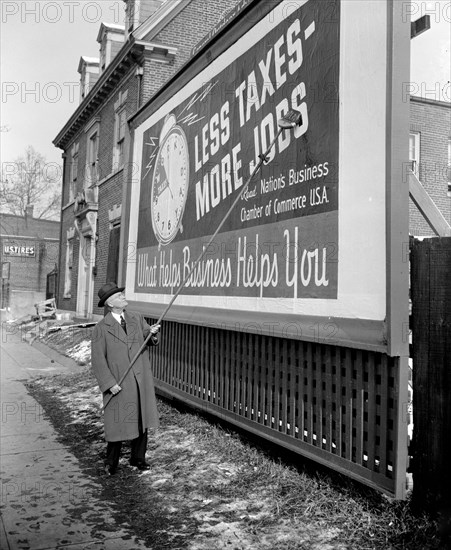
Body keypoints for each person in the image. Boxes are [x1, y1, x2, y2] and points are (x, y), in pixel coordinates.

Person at [91, 282, 160, 475]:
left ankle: (138, 458)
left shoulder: (136, 318)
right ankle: (111, 462)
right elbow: (98, 360)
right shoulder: (101, 328)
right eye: (119, 296)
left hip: (139, 380)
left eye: (122, 294)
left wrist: (152, 333)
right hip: (119, 383)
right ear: (111, 304)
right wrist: (109, 383)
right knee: (118, 422)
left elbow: (148, 337)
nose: (123, 296)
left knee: (140, 420)